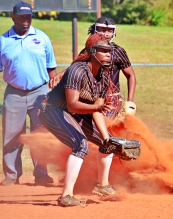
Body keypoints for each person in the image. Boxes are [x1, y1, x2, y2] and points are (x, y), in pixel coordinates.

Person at [38, 33, 132, 207]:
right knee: (80, 144)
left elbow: (97, 112)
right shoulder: (78, 70)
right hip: (52, 110)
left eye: (109, 51)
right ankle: (66, 196)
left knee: (107, 143)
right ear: (92, 52)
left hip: (74, 113)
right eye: (103, 51)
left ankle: (102, 185)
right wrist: (96, 108)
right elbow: (73, 105)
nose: (108, 54)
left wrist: (106, 139)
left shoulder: (103, 77)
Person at [0, 1, 57, 186]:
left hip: (40, 92)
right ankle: (11, 176)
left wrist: (53, 94)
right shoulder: (3, 40)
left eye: (29, 17)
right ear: (13, 17)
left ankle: (41, 174)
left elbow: (51, 68)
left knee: (40, 134)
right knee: (11, 135)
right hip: (13, 93)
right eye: (22, 17)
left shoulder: (42, 38)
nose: (26, 21)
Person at [49, 17, 137, 119]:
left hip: (111, 99)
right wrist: (61, 74)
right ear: (95, 30)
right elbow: (78, 65)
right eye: (102, 30)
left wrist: (130, 102)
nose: (106, 34)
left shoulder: (118, 51)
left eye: (110, 30)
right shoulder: (89, 50)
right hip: (91, 97)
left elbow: (130, 75)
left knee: (104, 126)